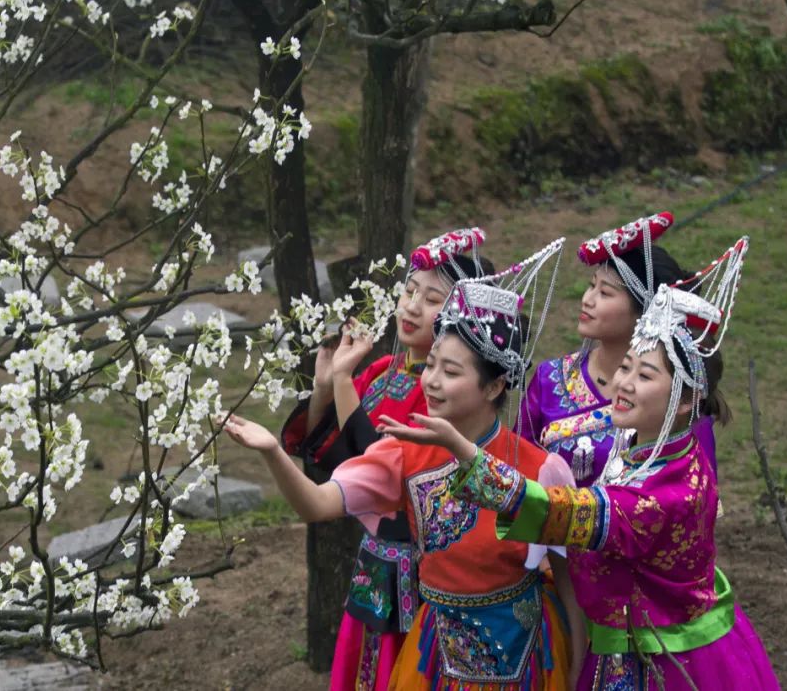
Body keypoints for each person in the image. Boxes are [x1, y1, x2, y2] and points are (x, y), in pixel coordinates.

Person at [387, 237, 780, 689]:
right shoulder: (647, 449)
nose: (623, 384)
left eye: (644, 375)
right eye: (625, 368)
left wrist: (466, 452)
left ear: (687, 399)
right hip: (615, 638)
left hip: (663, 660)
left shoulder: (668, 494)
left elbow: (562, 512)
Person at [226, 240, 584, 690]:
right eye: (431, 365)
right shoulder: (403, 452)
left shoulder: (542, 469)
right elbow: (315, 505)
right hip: (434, 656)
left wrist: (577, 668)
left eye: (451, 373)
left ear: (494, 387)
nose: (431, 381)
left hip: (528, 657)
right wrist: (272, 452)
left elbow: (570, 584)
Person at [280, 228, 493, 690]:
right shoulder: (382, 372)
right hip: (375, 563)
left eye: (431, 299)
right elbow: (335, 457)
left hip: (420, 567)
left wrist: (342, 383)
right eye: (409, 291)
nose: (412, 307)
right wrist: (326, 386)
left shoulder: (445, 396)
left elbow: (382, 467)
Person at [516, 213, 717, 486]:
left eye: (605, 293)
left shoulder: (674, 401)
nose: (587, 300)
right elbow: (516, 470)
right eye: (591, 286)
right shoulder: (550, 378)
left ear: (645, 310)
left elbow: (697, 492)